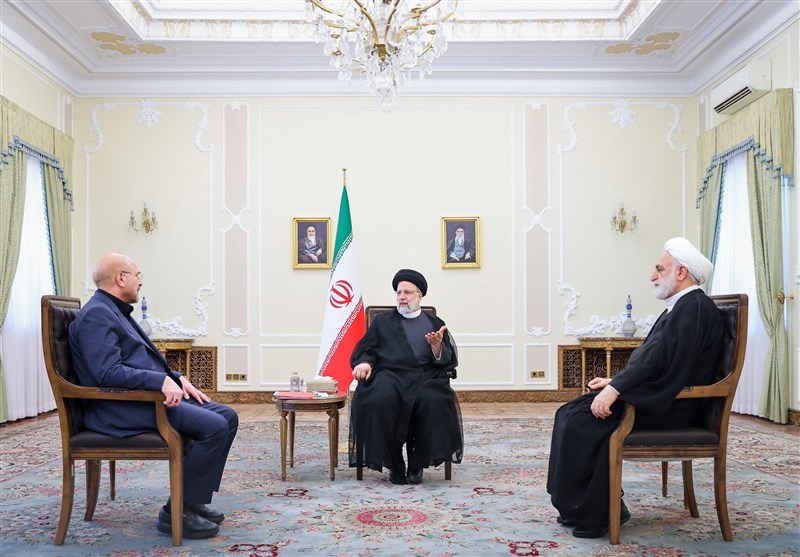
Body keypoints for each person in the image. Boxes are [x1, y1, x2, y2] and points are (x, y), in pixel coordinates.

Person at [547, 237, 724, 539]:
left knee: (579, 420)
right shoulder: (682, 307)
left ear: (681, 272)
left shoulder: (692, 308)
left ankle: (597, 514)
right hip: (662, 397)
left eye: (659, 269)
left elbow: (660, 365)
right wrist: (613, 383)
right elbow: (654, 360)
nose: (652, 276)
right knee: (569, 413)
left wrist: (616, 390)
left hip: (672, 406)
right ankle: (585, 507)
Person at [68, 253, 239, 540]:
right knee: (214, 427)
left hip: (142, 399)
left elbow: (138, 361)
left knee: (228, 416)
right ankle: (176, 512)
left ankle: (191, 500)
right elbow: (107, 373)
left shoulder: (113, 310)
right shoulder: (97, 314)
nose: (140, 281)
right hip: (121, 408)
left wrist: (176, 378)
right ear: (120, 278)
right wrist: (159, 381)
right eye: (137, 275)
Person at [349, 269, 463, 484]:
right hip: (389, 375)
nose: (402, 297)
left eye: (408, 292)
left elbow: (447, 360)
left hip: (425, 377)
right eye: (399, 292)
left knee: (434, 400)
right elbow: (367, 349)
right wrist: (364, 363)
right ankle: (395, 464)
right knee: (379, 398)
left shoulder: (434, 323)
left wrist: (437, 348)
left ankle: (417, 464)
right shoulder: (383, 322)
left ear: (420, 296)